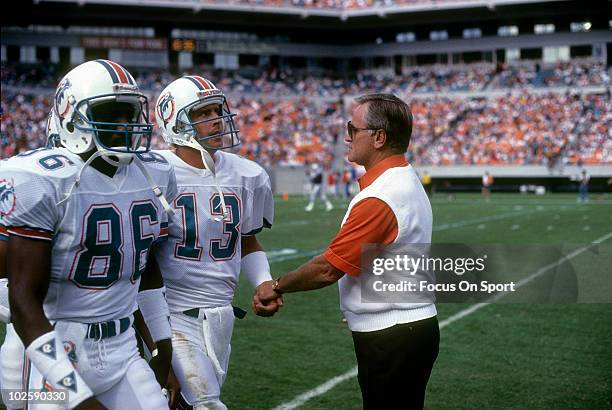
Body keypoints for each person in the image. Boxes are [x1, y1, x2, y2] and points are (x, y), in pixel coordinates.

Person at [0, 59, 176, 409]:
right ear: (70, 117)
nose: (127, 124)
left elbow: (146, 272)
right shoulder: (42, 179)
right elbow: (22, 299)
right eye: (112, 113)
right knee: (18, 401)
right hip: (54, 349)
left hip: (122, 347)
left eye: (130, 113)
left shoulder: (154, 173)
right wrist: (76, 396)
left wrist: (162, 345)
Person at [253, 93, 439, 409]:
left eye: (353, 129)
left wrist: (276, 285)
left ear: (379, 137)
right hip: (402, 326)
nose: (347, 137)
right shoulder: (401, 179)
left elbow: (328, 268)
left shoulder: (382, 196)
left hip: (394, 333)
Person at [153, 75, 279, 410]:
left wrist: (264, 282)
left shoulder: (246, 174)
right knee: (206, 403)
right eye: (202, 113)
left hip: (221, 314)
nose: (217, 120)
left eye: (217, 110)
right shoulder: (155, 171)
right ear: (175, 121)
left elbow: (247, 239)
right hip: (172, 312)